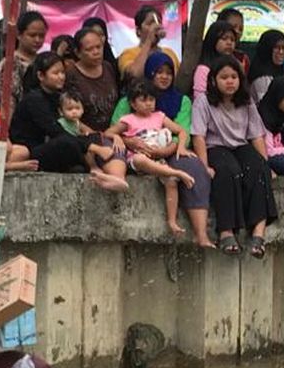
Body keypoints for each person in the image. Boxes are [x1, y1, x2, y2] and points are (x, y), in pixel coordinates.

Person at [110, 52, 213, 243]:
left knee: (195, 169)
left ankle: (201, 234)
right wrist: (128, 141)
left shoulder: (181, 101)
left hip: (168, 150)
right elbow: (113, 130)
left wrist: (165, 150)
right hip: (136, 151)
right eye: (159, 72)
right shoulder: (129, 101)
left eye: (168, 73)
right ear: (150, 73)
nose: (164, 77)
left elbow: (182, 132)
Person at [190, 55, 276, 258]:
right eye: (224, 77)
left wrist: (266, 163)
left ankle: (258, 233)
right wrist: (204, 167)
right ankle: (226, 231)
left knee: (258, 168)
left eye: (234, 77)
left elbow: (256, 135)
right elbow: (199, 137)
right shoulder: (203, 101)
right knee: (228, 172)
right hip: (215, 146)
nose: (230, 81)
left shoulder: (246, 101)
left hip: (240, 145)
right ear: (213, 80)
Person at [105, 80, 201, 229]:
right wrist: (118, 137)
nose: (148, 103)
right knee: (140, 159)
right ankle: (176, 171)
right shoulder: (128, 120)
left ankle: (172, 221)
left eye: (151, 99)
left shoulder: (159, 117)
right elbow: (108, 132)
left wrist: (181, 146)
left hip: (157, 160)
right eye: (143, 100)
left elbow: (181, 131)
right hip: (136, 159)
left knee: (171, 182)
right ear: (133, 103)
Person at [11, 51, 98, 177]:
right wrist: (90, 146)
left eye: (62, 72)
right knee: (66, 143)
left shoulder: (58, 97)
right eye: (56, 73)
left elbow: (75, 124)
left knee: (93, 138)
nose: (61, 77)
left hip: (56, 143)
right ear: (41, 76)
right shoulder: (34, 99)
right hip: (31, 150)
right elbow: (55, 131)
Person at [59, 90, 130, 191]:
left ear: (82, 110)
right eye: (69, 109)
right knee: (87, 144)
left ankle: (114, 177)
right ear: (61, 111)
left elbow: (93, 133)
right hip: (70, 152)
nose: (74, 112)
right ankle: (94, 167)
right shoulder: (62, 123)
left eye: (77, 108)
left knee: (93, 139)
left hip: (82, 149)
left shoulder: (78, 123)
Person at [68, 27, 121, 134]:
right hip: (85, 135)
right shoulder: (71, 74)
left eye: (98, 47)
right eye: (89, 49)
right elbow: (68, 112)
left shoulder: (108, 67)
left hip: (113, 133)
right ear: (78, 53)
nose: (96, 52)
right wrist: (94, 135)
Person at [0, 10, 48, 106]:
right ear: (19, 35)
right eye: (32, 35)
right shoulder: (10, 64)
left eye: (41, 36)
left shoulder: (44, 61)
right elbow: (8, 102)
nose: (37, 40)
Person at [118, 5, 180, 81]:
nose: (156, 26)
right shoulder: (128, 54)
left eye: (158, 22)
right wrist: (149, 41)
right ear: (138, 31)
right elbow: (135, 75)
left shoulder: (170, 53)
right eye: (150, 23)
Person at [191, 21, 238, 98]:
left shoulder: (236, 65)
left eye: (232, 40)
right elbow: (199, 100)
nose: (229, 42)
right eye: (224, 38)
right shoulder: (203, 70)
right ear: (213, 40)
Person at [248, 29, 284, 105]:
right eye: (276, 47)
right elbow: (266, 105)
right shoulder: (261, 77)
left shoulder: (283, 72)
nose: (281, 52)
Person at [215, 7, 250, 75]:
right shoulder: (206, 56)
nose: (237, 32)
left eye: (241, 29)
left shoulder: (243, 59)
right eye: (233, 27)